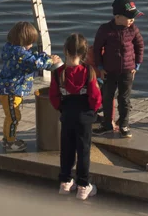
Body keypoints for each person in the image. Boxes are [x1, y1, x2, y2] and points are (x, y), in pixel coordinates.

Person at [50, 33, 102, 200]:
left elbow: (54, 96)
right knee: (83, 150)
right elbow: (95, 96)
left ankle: (65, 182)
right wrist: (93, 111)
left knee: (67, 149)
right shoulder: (88, 71)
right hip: (84, 117)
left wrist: (62, 109)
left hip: (67, 115)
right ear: (85, 52)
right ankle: (83, 185)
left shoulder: (58, 72)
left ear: (65, 50)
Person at [0, 21, 60, 152]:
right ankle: (9, 142)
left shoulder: (10, 48)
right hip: (11, 92)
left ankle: (8, 138)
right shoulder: (21, 55)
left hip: (7, 89)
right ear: (23, 42)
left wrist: (43, 56)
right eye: (30, 43)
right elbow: (36, 63)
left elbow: (31, 57)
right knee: (13, 117)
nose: (31, 46)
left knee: (11, 116)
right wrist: (50, 60)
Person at [93, 0, 144, 138]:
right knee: (107, 97)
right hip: (109, 70)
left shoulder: (133, 29)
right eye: (129, 17)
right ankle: (107, 124)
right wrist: (100, 67)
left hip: (128, 70)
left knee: (124, 98)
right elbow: (97, 49)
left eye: (134, 17)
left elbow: (140, 46)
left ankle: (124, 124)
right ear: (118, 17)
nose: (132, 20)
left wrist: (137, 64)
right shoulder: (105, 30)